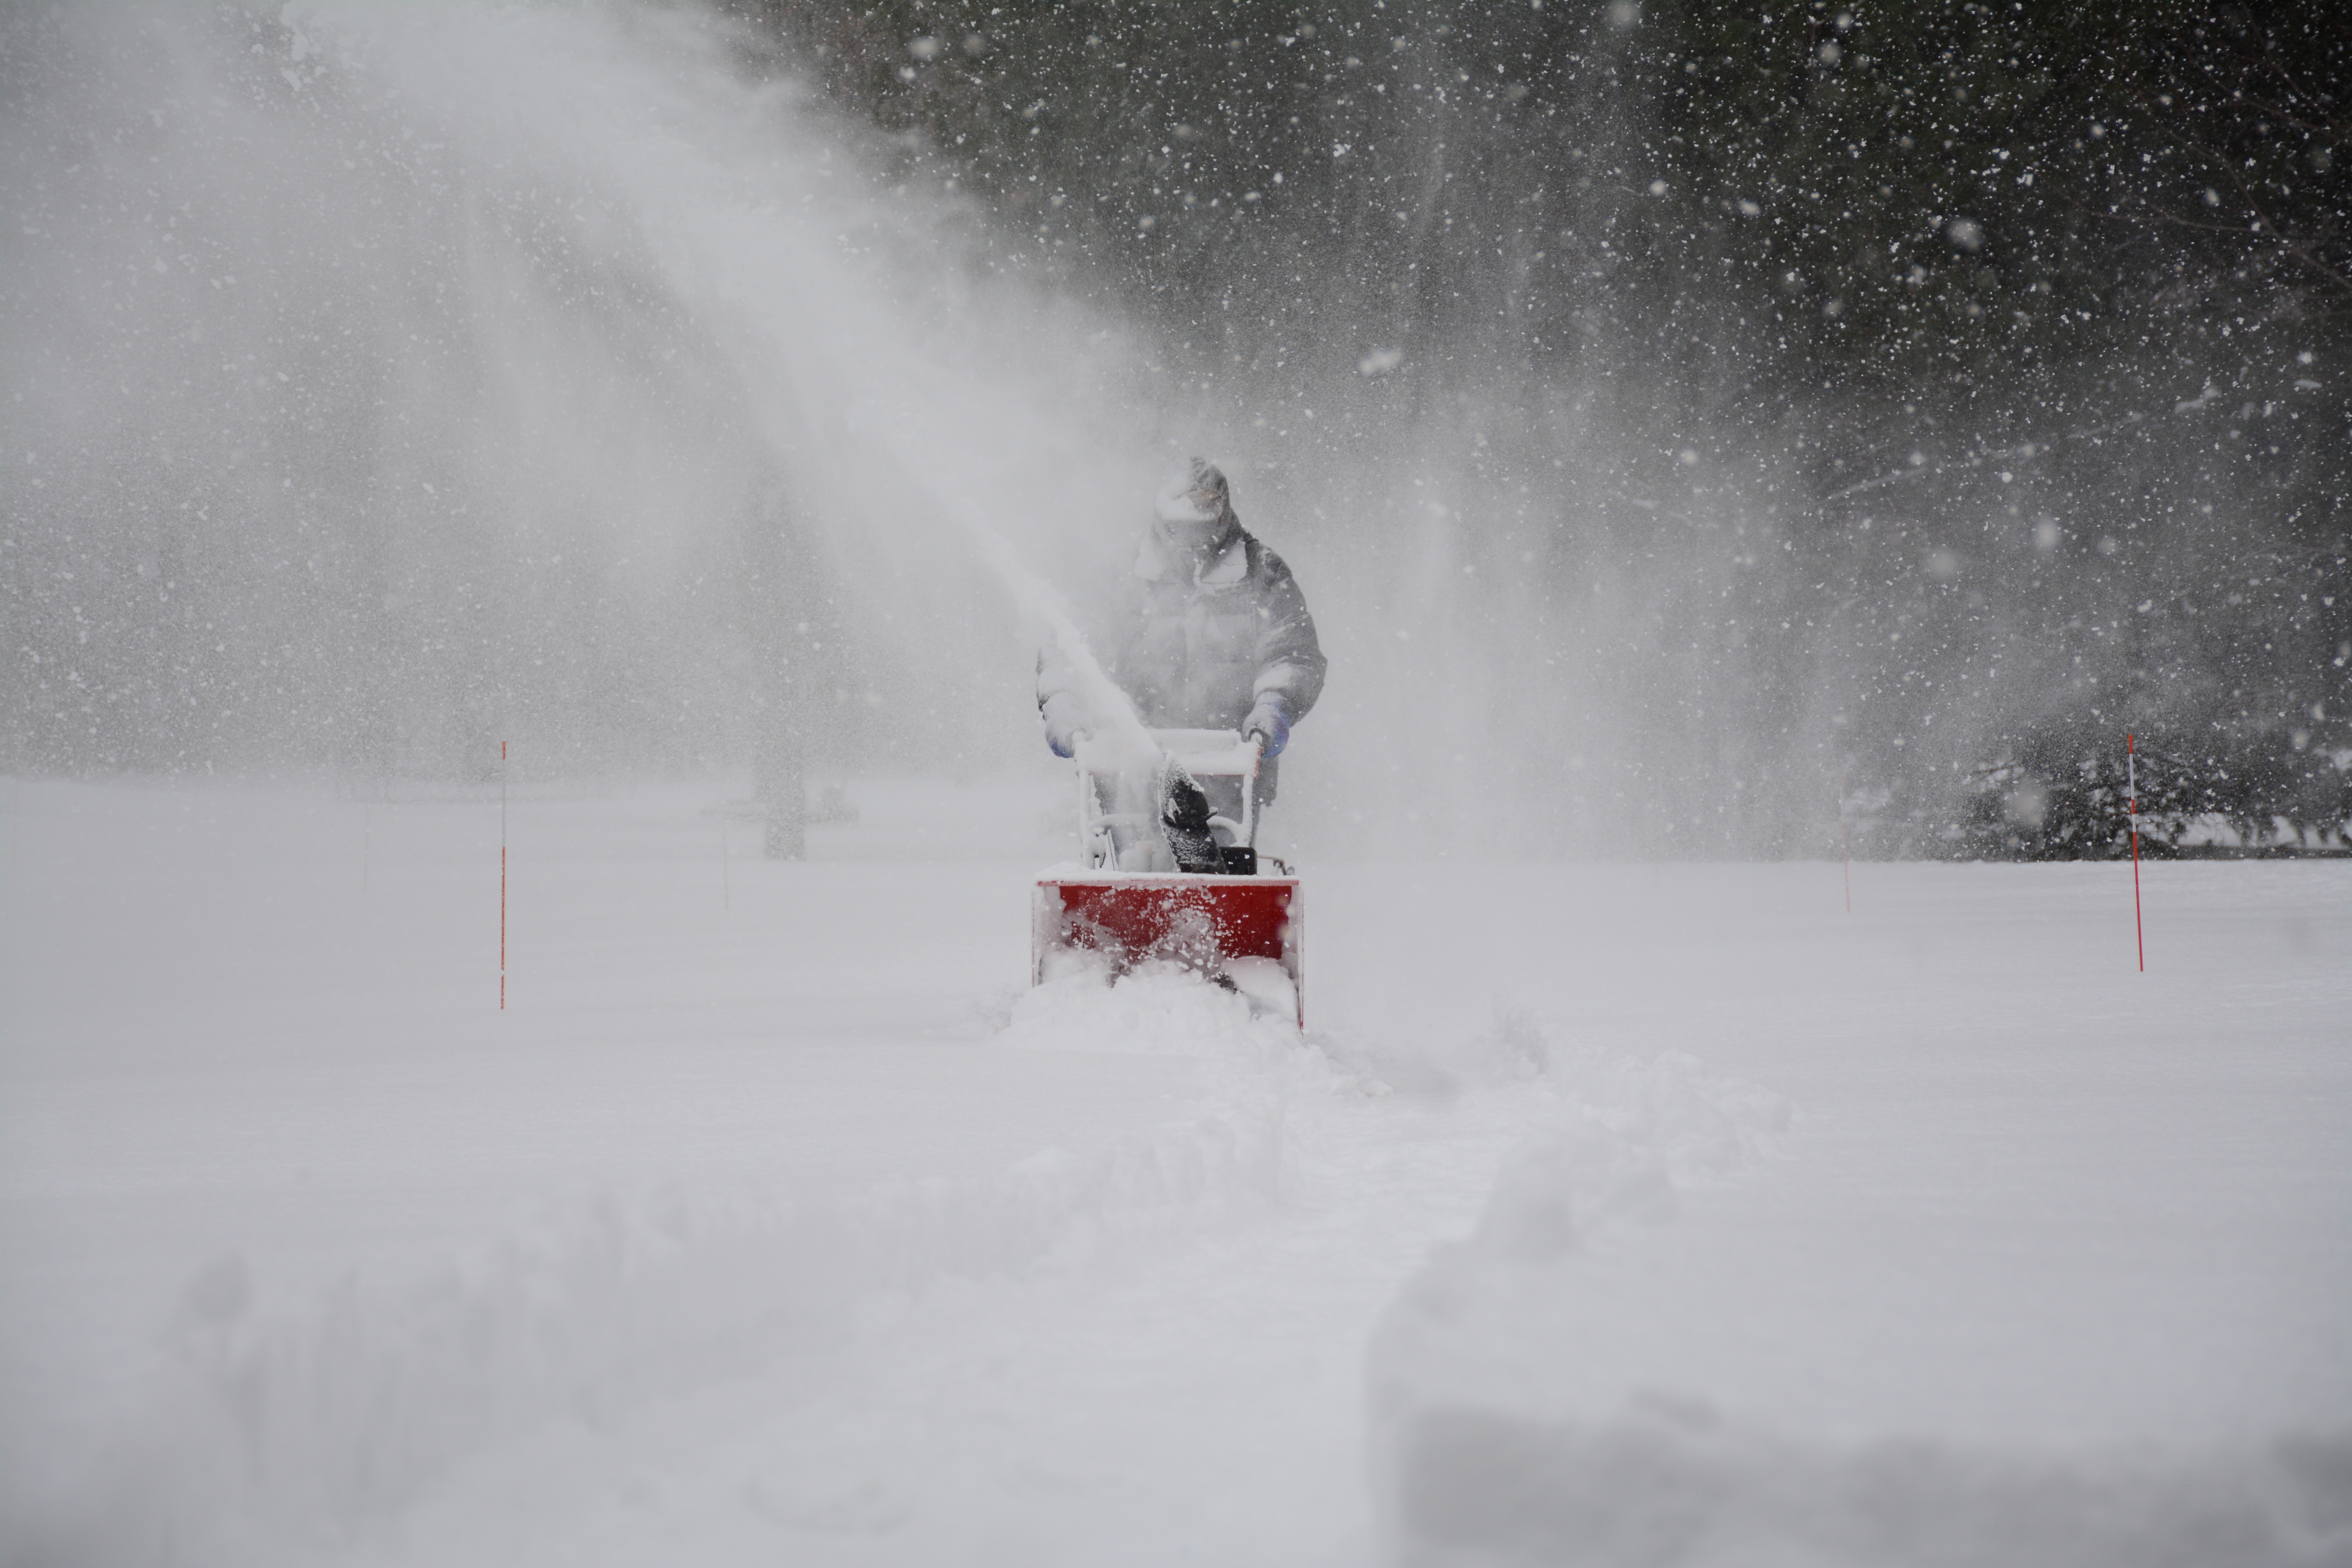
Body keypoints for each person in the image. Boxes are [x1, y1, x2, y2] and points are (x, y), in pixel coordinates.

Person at [1038, 458, 1326, 869]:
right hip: (1128, 760)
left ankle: (1217, 929)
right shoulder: (1120, 576)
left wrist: (1273, 707)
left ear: (1222, 520)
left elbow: (1291, 651)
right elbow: (1071, 650)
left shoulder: (1262, 574)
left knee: (1221, 871)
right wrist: (1065, 707)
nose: (1193, 542)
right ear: (1161, 520)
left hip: (1231, 762)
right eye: (1181, 529)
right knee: (1137, 867)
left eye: (1205, 529)